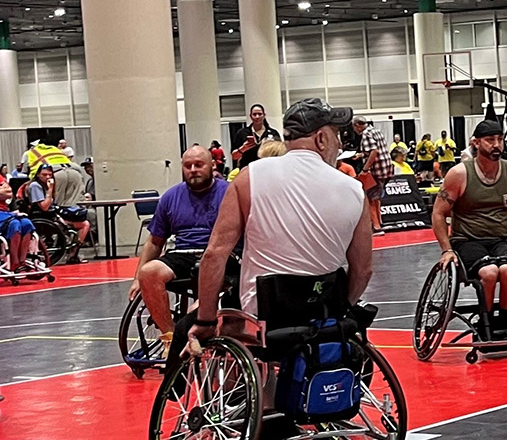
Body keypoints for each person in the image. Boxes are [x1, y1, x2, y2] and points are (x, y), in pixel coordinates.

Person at [197, 100, 373, 365]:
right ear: (322, 139)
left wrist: (206, 321)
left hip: (263, 313)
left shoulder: (249, 177)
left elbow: (214, 255)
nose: (340, 144)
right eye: (336, 135)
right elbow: (363, 270)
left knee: (195, 324)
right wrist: (341, 309)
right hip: (324, 311)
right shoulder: (354, 190)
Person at [432, 118, 507, 339]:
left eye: (500, 139)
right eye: (490, 140)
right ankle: (485, 320)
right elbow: (438, 212)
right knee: (489, 273)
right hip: (466, 241)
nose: (496, 145)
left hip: (498, 241)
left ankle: (504, 318)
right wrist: (446, 249)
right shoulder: (459, 174)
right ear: (476, 143)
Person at [132, 147, 227, 342]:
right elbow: (155, 241)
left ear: (212, 165)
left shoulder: (229, 192)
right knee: (149, 273)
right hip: (183, 253)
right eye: (188, 166)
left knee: (198, 307)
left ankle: (202, 316)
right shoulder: (171, 196)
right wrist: (137, 278)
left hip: (220, 253)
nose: (193, 169)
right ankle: (171, 338)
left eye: (199, 165)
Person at [21, 165, 91, 258]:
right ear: (38, 174)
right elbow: (44, 207)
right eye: (44, 175)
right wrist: (50, 189)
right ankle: (73, 253)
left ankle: (74, 250)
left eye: (49, 175)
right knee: (84, 224)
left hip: (51, 214)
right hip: (43, 217)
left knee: (83, 220)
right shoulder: (35, 186)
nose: (47, 177)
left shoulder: (44, 185)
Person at [232, 103, 276, 169]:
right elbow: (234, 156)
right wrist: (243, 148)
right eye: (254, 114)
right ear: (250, 116)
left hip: (268, 169)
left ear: (264, 115)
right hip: (247, 169)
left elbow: (280, 154)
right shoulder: (242, 133)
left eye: (260, 114)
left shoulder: (273, 133)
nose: (257, 117)